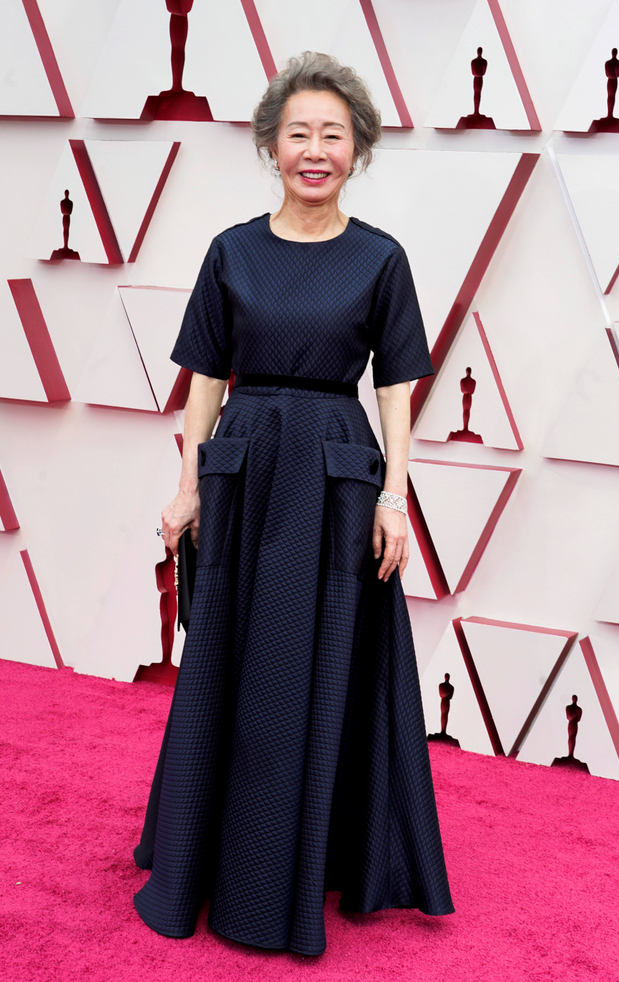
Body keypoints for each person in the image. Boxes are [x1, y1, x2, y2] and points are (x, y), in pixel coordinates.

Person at [133, 50, 454, 956]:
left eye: (334, 135)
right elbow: (202, 377)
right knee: (235, 657)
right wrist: (191, 484)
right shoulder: (231, 250)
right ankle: (211, 854)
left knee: (323, 662)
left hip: (337, 475)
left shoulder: (380, 259)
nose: (315, 150)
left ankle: (311, 856)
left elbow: (396, 389)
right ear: (272, 145)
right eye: (299, 133)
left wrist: (396, 493)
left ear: (358, 149)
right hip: (245, 468)